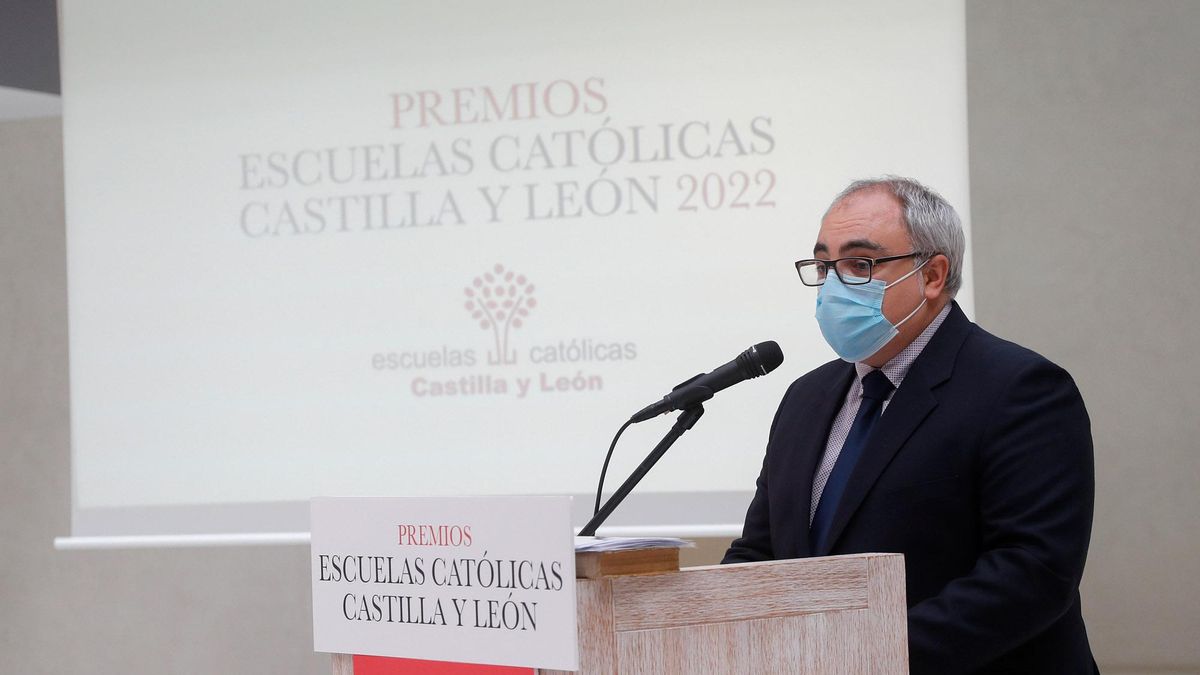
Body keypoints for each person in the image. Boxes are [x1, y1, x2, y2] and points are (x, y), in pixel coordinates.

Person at [723, 177, 1098, 674]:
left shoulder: (1021, 389)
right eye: (824, 265)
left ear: (934, 275)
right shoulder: (806, 398)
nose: (835, 285)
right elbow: (763, 550)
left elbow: (1031, 573)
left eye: (860, 264)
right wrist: (711, 624)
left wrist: (863, 656)